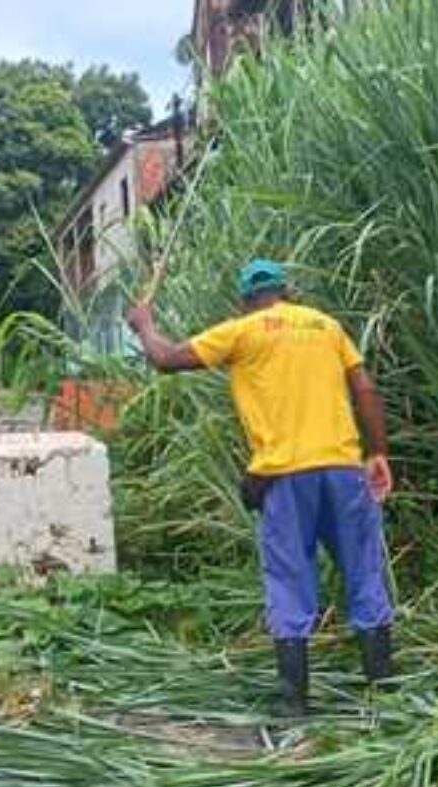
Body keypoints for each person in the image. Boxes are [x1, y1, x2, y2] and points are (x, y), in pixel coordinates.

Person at [126, 258, 395, 717]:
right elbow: (365, 389)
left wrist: (144, 324)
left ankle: (294, 707)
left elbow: (166, 359)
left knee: (291, 584)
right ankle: (387, 696)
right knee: (365, 573)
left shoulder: (244, 330)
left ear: (247, 299)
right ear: (286, 293)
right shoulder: (326, 327)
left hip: (284, 477)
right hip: (344, 469)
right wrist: (378, 452)